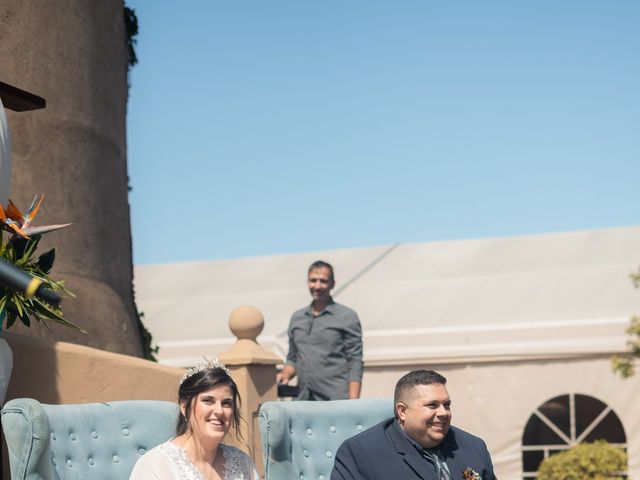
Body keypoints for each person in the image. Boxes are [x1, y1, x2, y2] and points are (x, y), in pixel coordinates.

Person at [331, 370, 497, 480]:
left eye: (446, 405)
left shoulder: (474, 447)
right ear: (402, 411)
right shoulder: (360, 453)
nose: (443, 413)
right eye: (432, 405)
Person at [129, 358, 259, 480]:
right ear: (185, 407)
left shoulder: (242, 463)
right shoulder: (156, 465)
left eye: (226, 403)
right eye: (208, 401)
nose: (219, 411)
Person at [279, 260, 363, 400]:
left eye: (323, 281)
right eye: (313, 280)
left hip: (335, 400)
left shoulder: (347, 317)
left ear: (332, 284)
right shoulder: (297, 318)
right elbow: (292, 358)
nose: (317, 286)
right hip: (303, 400)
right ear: (307, 282)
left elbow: (354, 361)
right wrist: (285, 375)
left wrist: (353, 402)